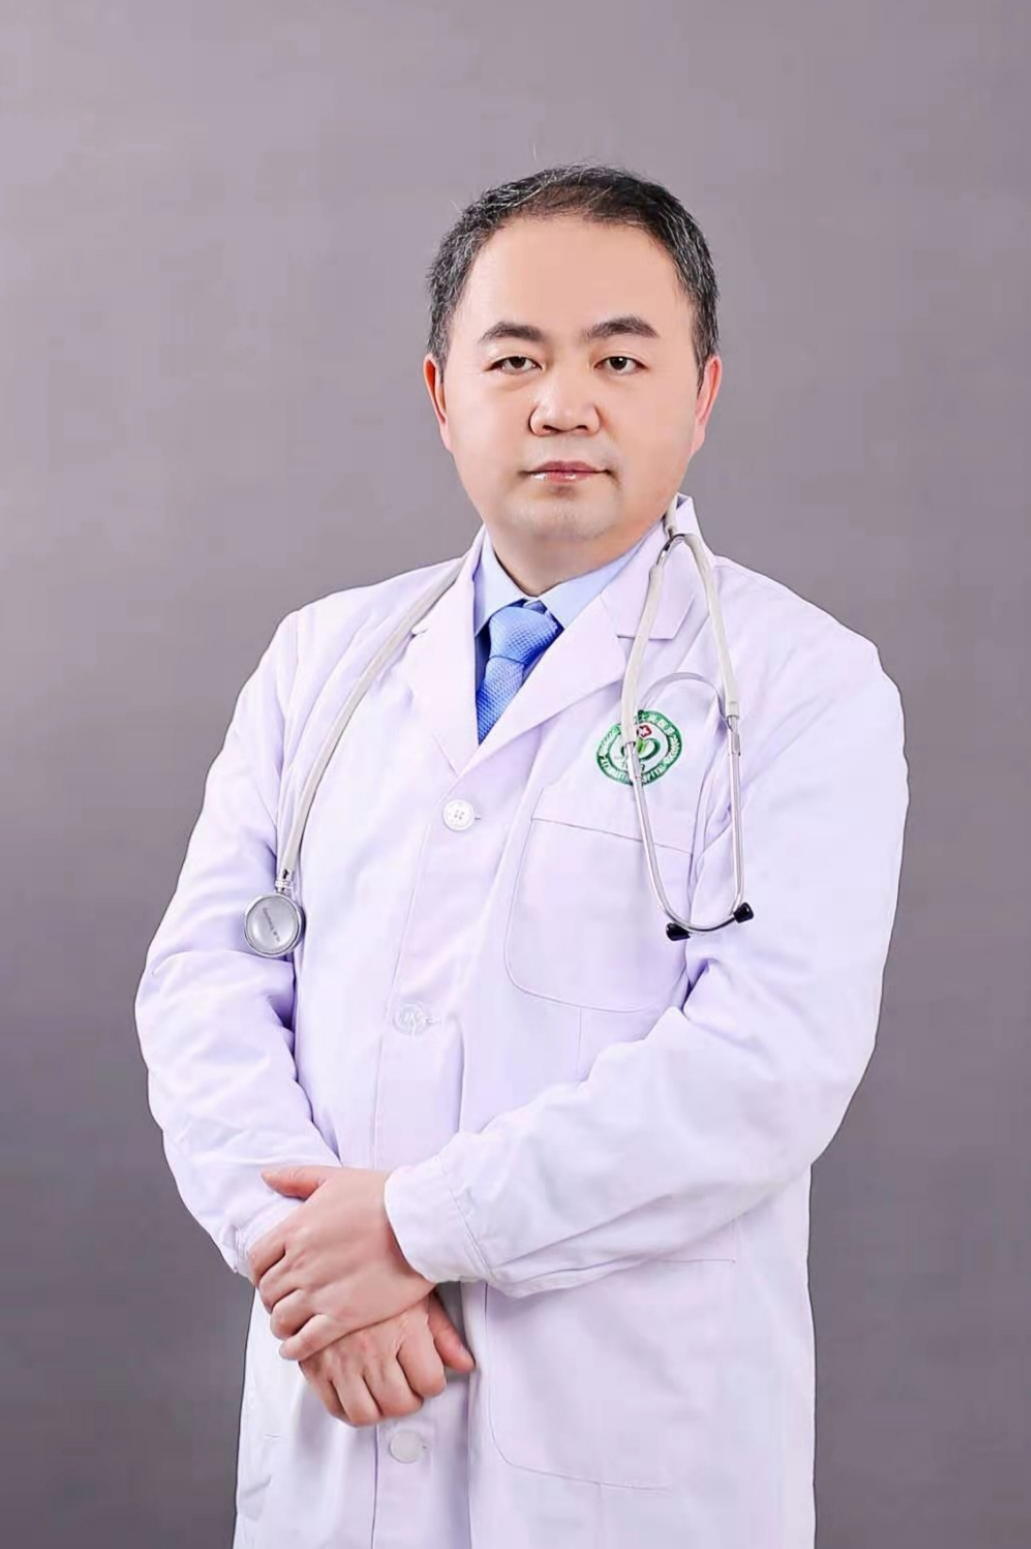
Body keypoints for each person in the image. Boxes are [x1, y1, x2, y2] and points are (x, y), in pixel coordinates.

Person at [133, 162, 909, 1549]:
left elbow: (767, 1063)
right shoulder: (323, 662)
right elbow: (204, 991)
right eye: (514, 359)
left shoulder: (799, 686)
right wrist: (301, 1258)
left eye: (619, 358)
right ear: (443, 397)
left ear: (701, 396)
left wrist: (414, 1229)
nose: (563, 403)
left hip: (622, 1454)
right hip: (339, 1415)